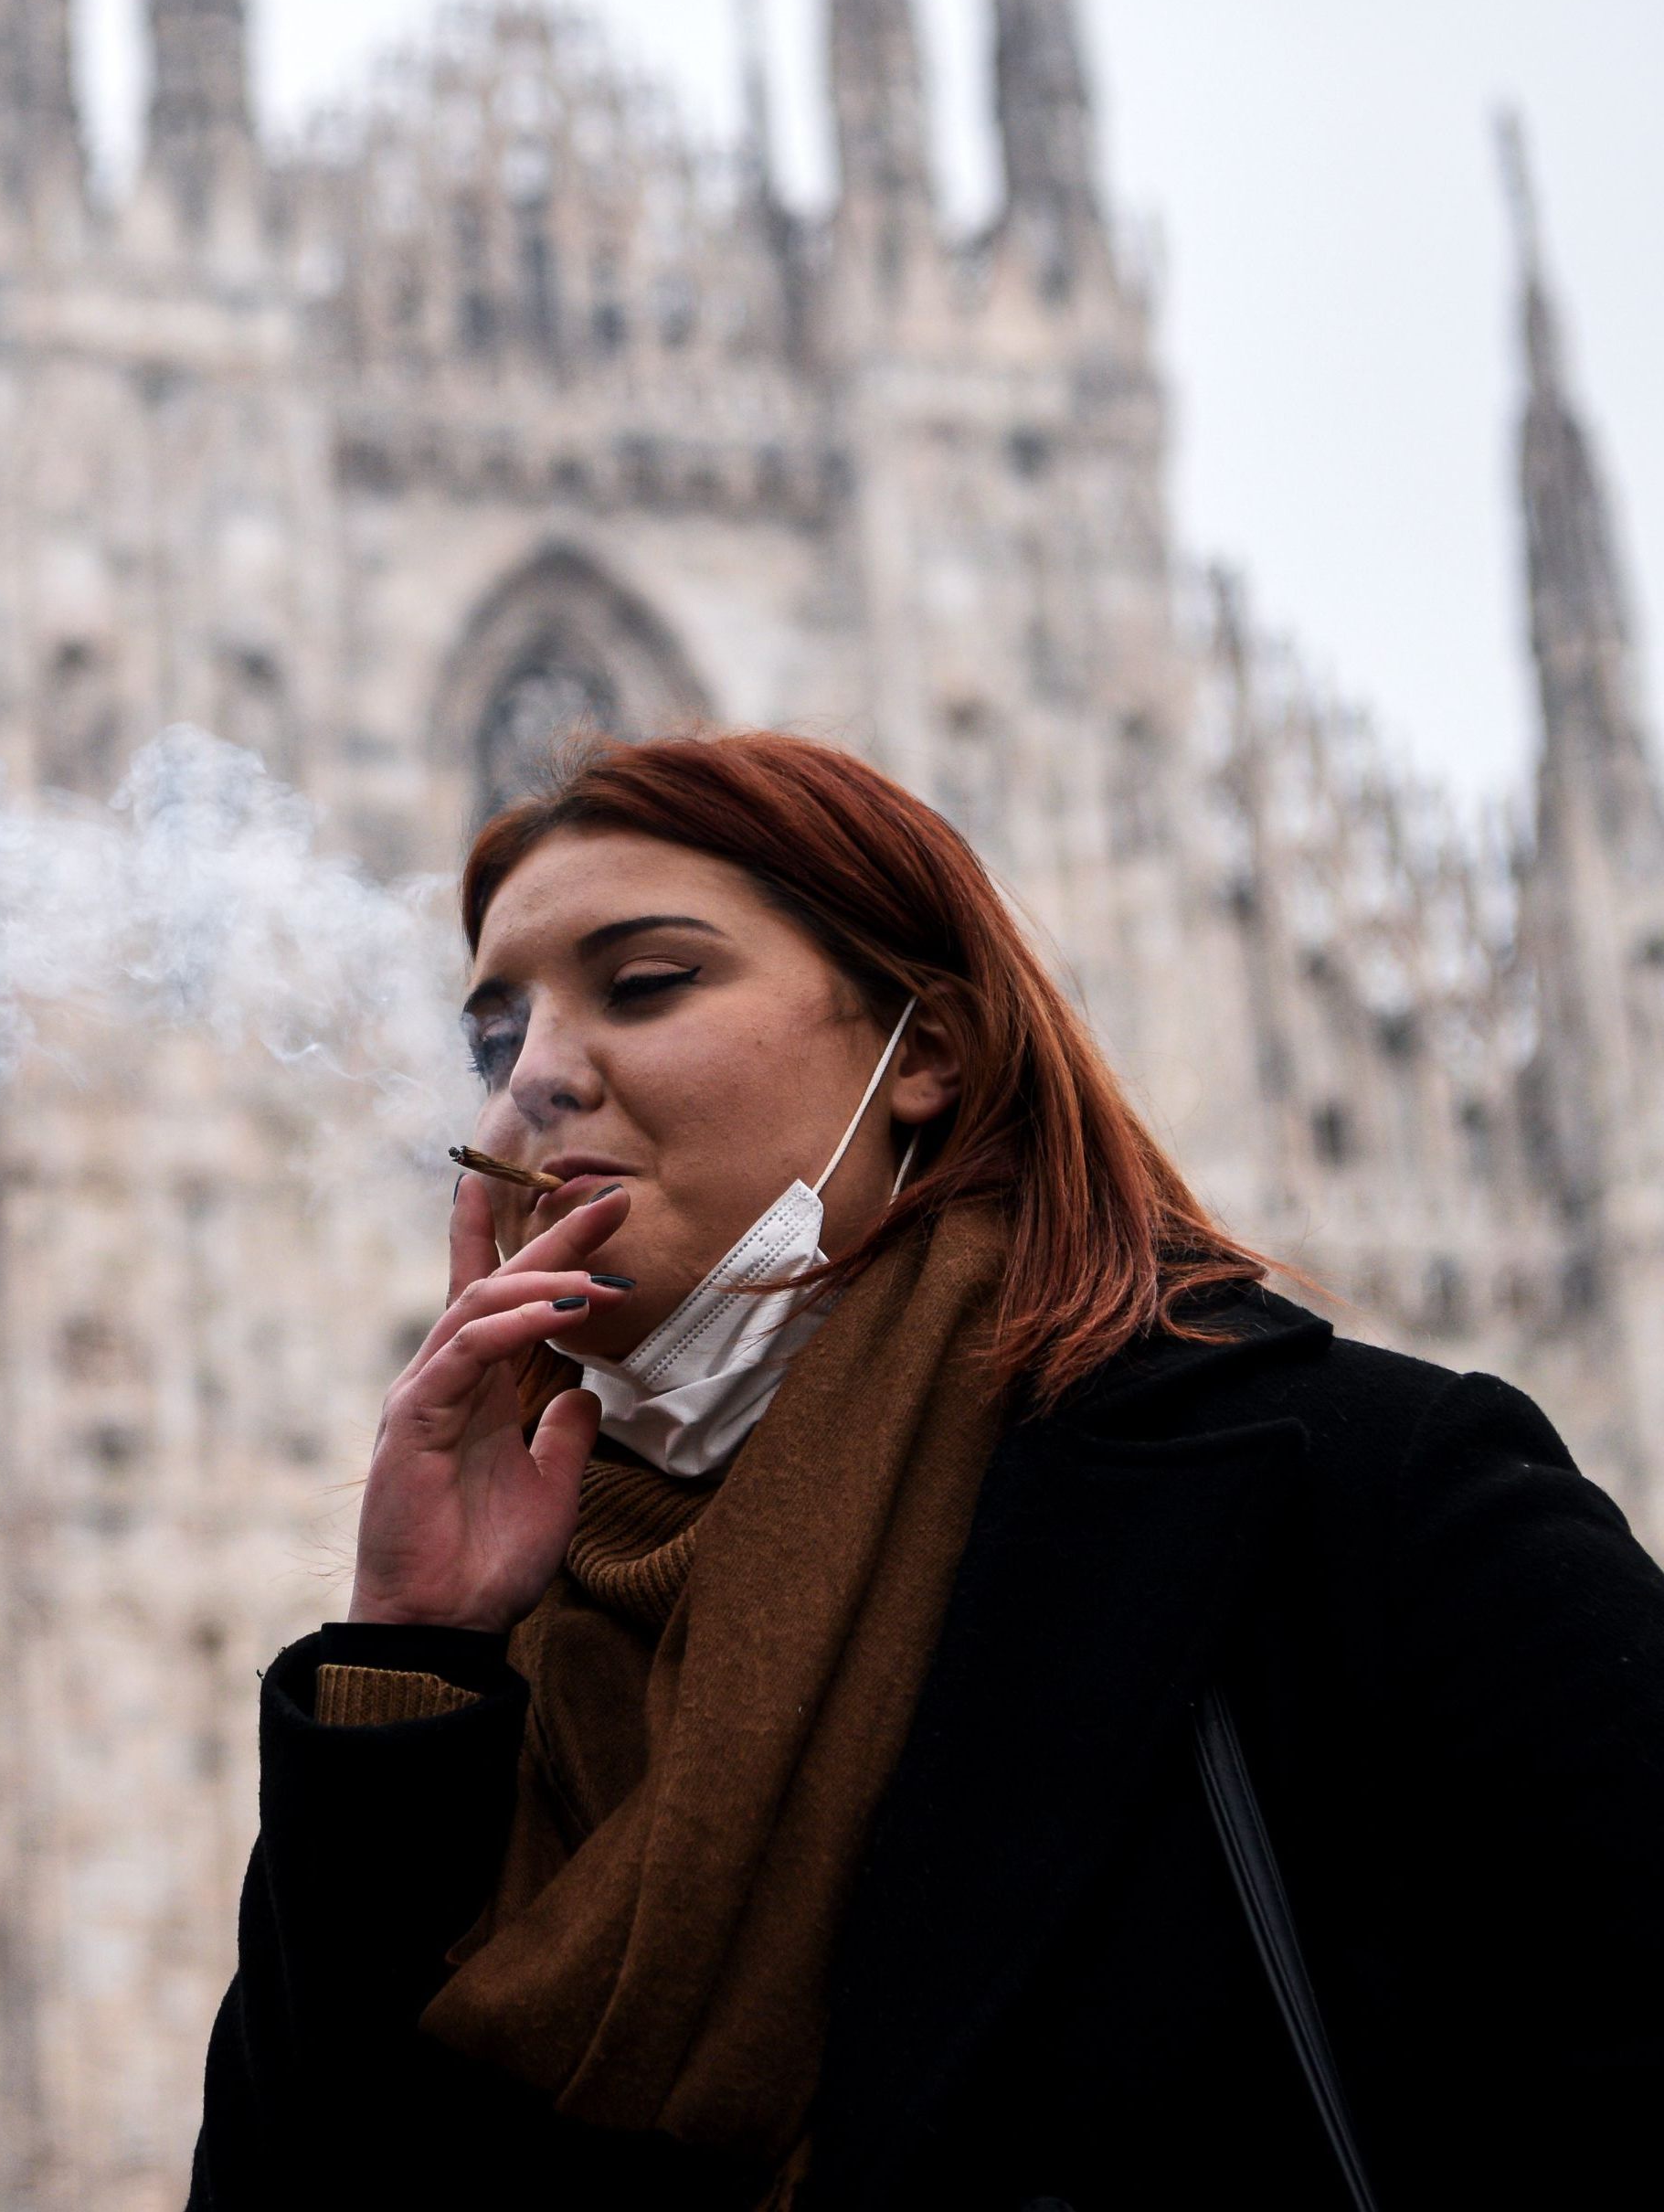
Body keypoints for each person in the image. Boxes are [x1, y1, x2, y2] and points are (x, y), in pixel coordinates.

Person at [188, 731, 1664, 2212]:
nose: (539, 1082)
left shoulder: (1362, 1504)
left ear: (927, 1050)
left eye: (646, 984)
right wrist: (409, 1652)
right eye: (493, 1045)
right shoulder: (494, 1672)